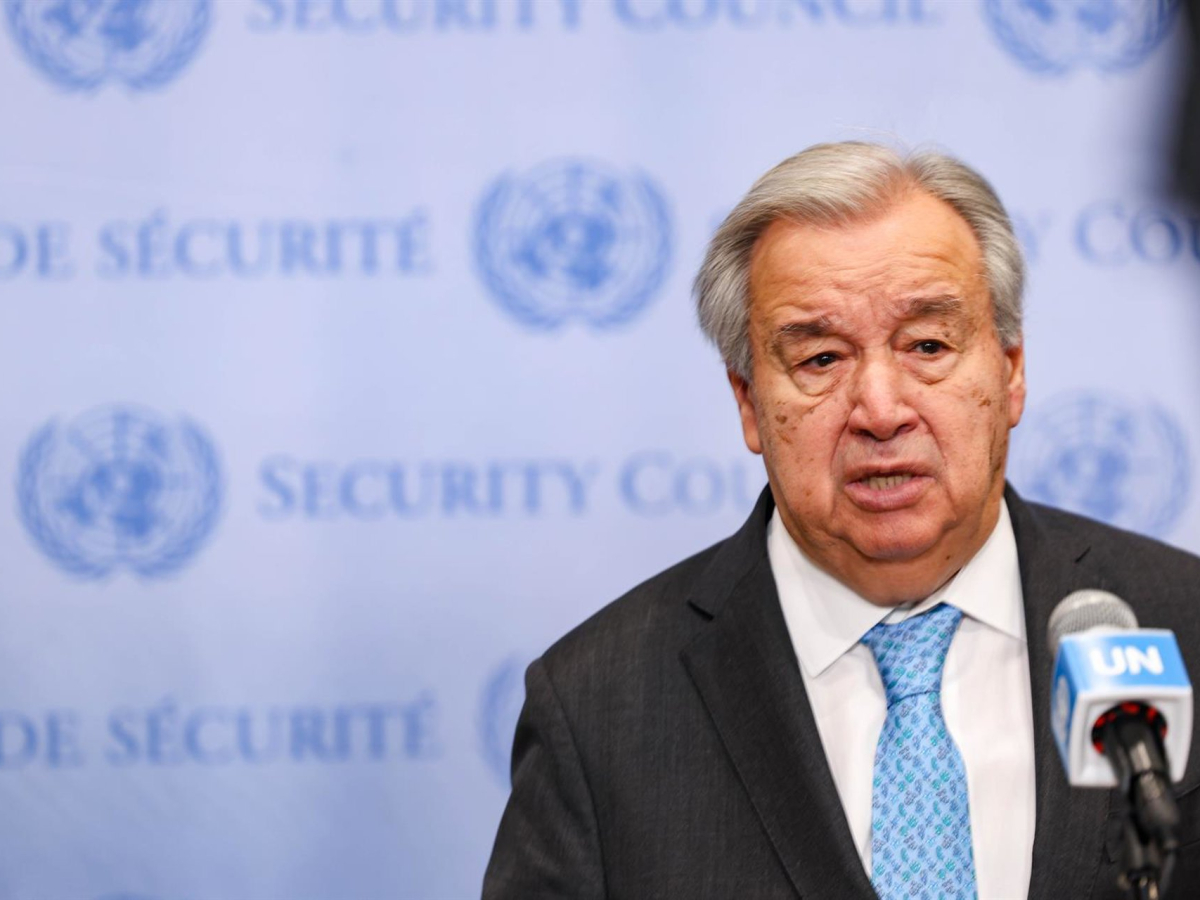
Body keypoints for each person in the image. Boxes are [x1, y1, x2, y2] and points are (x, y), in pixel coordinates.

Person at [482, 142, 1200, 899]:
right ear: (749, 402)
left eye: (928, 345)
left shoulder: (1182, 623)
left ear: (1011, 370)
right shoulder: (599, 707)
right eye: (821, 359)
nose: (881, 411)